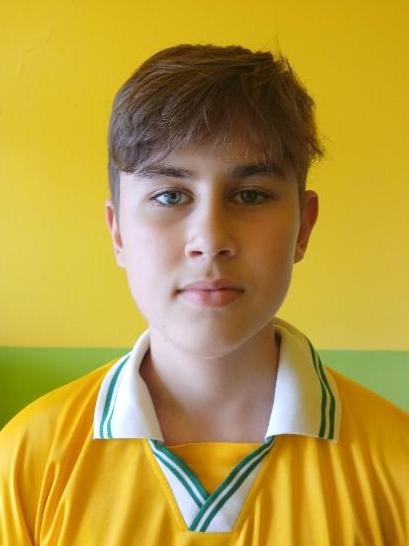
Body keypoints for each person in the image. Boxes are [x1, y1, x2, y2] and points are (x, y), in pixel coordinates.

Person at [0, 44, 408, 546]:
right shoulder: (27, 461)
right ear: (118, 232)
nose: (210, 239)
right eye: (170, 196)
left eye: (250, 195)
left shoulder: (397, 463)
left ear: (303, 227)